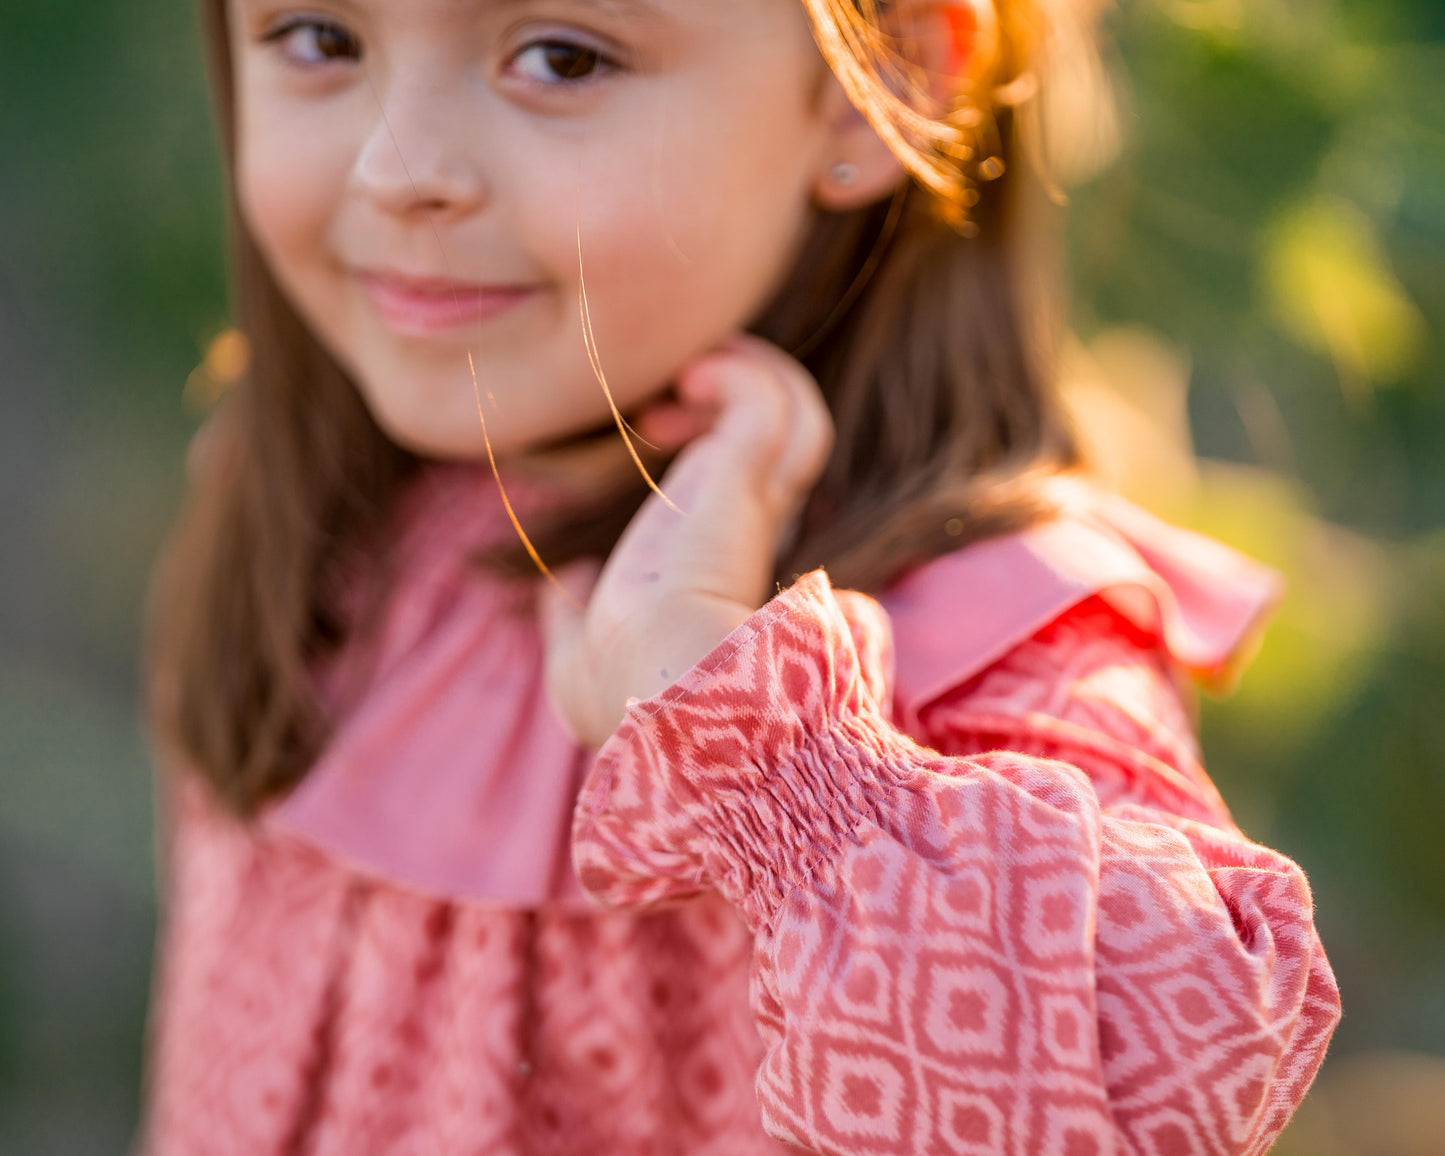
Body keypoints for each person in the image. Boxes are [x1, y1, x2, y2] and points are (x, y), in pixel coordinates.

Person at [140, 0, 1341, 1150]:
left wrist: (743, 741)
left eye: (561, 57)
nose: (397, 169)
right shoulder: (320, 519)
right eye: (319, 36)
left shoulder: (976, 654)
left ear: (878, 86)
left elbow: (1157, 1086)